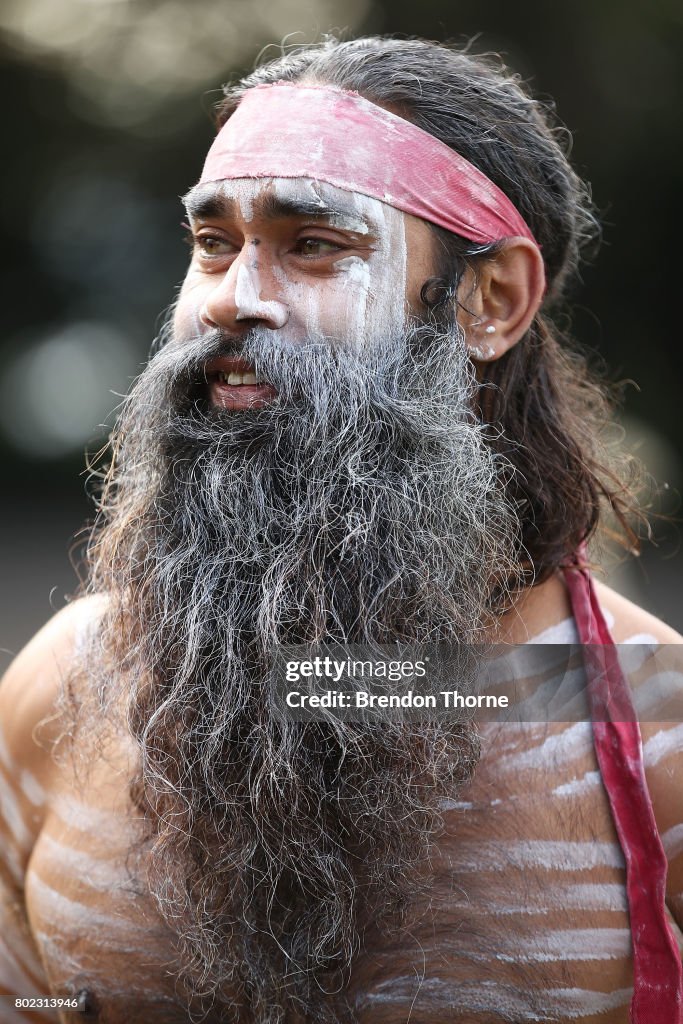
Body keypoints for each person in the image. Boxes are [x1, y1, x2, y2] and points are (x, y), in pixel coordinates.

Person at [1, 35, 681, 1024]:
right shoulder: (62, 691)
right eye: (213, 243)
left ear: (489, 301)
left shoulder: (654, 725)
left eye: (312, 243)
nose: (235, 299)